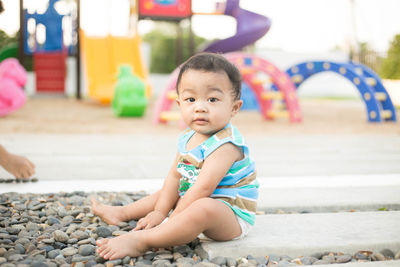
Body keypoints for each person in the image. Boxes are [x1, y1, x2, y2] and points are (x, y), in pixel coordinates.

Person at [92, 53, 258, 260]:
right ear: (180, 104)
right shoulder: (187, 138)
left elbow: (203, 189)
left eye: (212, 99)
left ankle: (143, 241)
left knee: (201, 206)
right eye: (191, 99)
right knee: (168, 192)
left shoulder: (226, 144)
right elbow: (175, 176)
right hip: (199, 197)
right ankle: (123, 213)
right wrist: (160, 212)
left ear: (234, 108)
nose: (200, 107)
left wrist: (172, 220)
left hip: (229, 215)